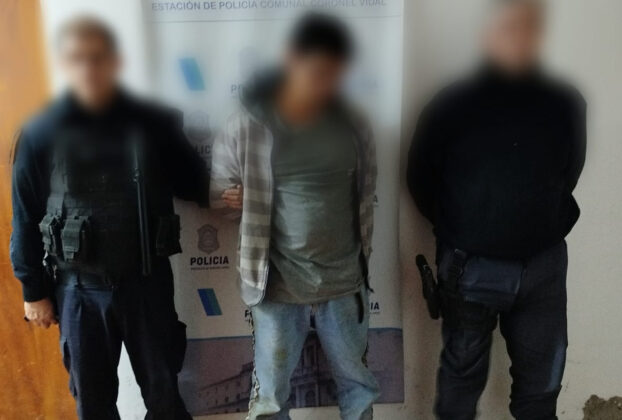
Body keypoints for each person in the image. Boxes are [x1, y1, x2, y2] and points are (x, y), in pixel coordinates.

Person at [10, 16, 209, 420]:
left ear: (116, 62)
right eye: (77, 59)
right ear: (64, 65)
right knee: (93, 404)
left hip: (146, 285)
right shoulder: (40, 132)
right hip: (77, 291)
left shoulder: (154, 123)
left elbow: (192, 182)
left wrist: (228, 189)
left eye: (98, 57)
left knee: (165, 400)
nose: (88, 68)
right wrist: (33, 291)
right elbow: (25, 215)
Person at [407, 1, 586, 419]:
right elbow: (420, 179)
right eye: (509, 28)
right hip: (470, 268)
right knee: (459, 388)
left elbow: (568, 172)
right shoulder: (450, 105)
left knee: (541, 390)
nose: (519, 38)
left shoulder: (566, 103)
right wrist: (467, 228)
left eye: (529, 28)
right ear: (486, 35)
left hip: (543, 267)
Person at [211, 13, 380, 420]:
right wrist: (231, 198)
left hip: (344, 281)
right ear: (290, 59)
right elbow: (218, 192)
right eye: (317, 72)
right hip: (276, 284)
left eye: (334, 75)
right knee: (270, 398)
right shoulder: (248, 124)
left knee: (358, 388)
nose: (325, 85)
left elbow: (366, 191)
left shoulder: (354, 125)